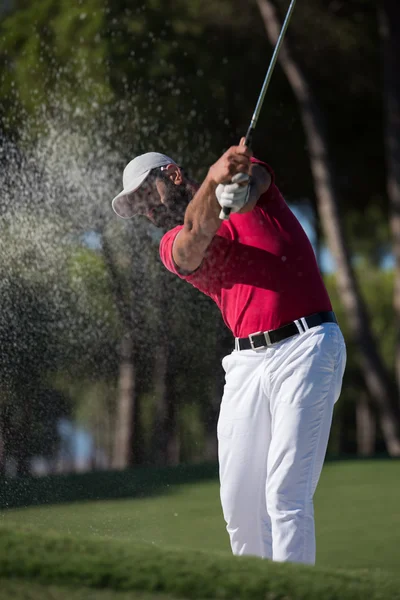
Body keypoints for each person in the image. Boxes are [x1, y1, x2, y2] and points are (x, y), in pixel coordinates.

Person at [112, 140, 346, 565]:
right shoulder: (171, 245)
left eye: (147, 194)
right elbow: (193, 238)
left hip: (307, 346)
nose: (147, 210)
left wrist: (234, 184)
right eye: (138, 207)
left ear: (174, 175)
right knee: (239, 508)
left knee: (285, 495)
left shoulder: (243, 174)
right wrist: (216, 190)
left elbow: (254, 181)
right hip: (245, 364)